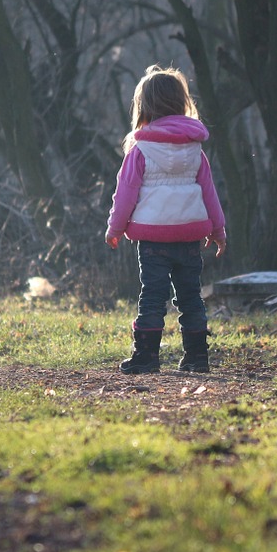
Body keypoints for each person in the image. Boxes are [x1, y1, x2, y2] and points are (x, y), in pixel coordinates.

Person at [105, 65, 226, 374]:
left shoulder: (141, 148)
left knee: (153, 297)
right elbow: (208, 191)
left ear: (144, 105)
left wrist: (115, 227)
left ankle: (146, 357)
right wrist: (218, 228)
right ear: (182, 102)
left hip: (153, 238)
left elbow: (125, 193)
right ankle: (197, 357)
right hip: (189, 235)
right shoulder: (194, 148)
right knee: (190, 296)